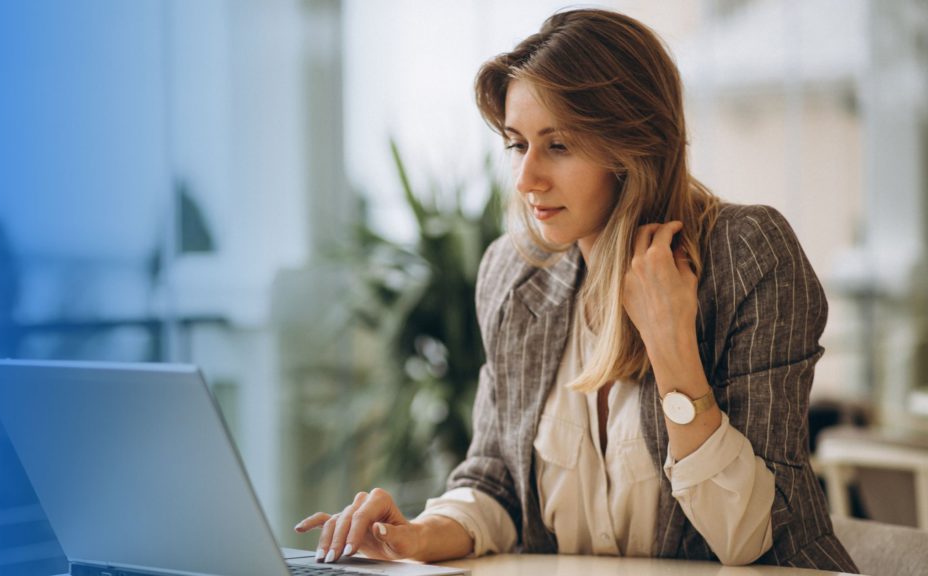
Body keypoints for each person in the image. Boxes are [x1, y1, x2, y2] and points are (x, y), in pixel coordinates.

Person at [295, 8, 858, 571]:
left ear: (633, 147)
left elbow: (750, 536)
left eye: (558, 145)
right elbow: (496, 481)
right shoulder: (515, 275)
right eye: (517, 144)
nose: (526, 179)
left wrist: (671, 345)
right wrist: (418, 535)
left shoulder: (747, 254)